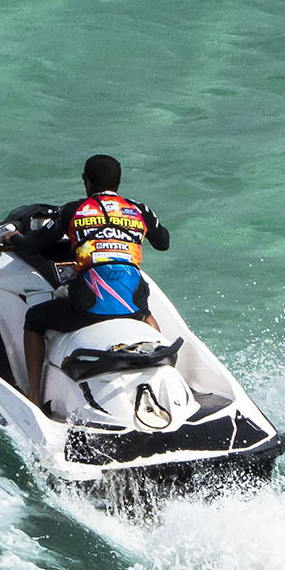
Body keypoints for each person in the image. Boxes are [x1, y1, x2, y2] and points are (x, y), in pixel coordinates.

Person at [14, 154, 171, 408]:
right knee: (145, 311)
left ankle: (33, 394)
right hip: (132, 304)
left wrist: (13, 239)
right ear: (118, 183)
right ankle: (161, 368)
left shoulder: (74, 210)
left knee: (34, 318)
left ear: (86, 182)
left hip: (88, 307)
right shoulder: (138, 210)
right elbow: (163, 243)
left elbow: (33, 246)